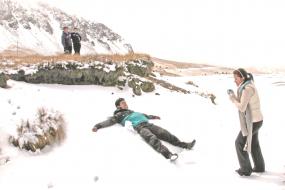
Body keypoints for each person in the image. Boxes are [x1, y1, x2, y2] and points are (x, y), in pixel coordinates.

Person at [92, 98, 196, 161]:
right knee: (152, 139)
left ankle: (185, 145)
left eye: (125, 102)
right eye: (123, 103)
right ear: (118, 106)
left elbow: (144, 115)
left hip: (148, 124)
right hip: (139, 127)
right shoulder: (119, 114)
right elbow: (109, 121)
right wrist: (98, 126)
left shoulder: (131, 111)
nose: (126, 104)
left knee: (166, 133)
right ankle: (168, 155)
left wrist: (153, 116)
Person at [228, 68, 265, 176]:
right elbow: (243, 102)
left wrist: (232, 99)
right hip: (257, 120)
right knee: (254, 144)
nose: (234, 80)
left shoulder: (247, 89)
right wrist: (235, 96)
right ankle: (259, 167)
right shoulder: (248, 85)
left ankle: (245, 169)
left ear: (242, 78)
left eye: (236, 78)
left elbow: (242, 107)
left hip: (252, 122)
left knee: (239, 143)